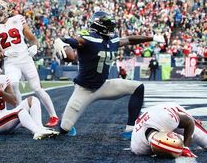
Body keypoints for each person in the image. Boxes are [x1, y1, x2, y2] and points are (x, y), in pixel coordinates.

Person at [53, 10, 165, 138]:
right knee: (64, 129)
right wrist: (60, 41)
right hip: (84, 89)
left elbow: (129, 39)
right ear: (99, 25)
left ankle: (130, 129)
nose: (111, 28)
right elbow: (71, 41)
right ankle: (65, 122)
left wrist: (152, 38)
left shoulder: (112, 40)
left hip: (103, 85)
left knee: (138, 87)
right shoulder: (88, 38)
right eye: (108, 24)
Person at [0, 0, 59, 127]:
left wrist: (35, 46)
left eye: (0, 9)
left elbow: (32, 38)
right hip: (10, 62)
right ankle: (22, 115)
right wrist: (4, 54)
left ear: (7, 8)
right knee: (13, 86)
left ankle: (54, 116)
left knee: (37, 88)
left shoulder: (18, 19)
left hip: (25, 58)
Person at [0, 58, 59, 140]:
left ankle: (39, 127)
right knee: (20, 111)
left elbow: (14, 101)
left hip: (6, 117)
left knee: (33, 99)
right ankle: (38, 132)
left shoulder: (2, 79)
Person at [131, 102, 207, 158]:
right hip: (155, 120)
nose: (174, 134)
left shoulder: (139, 149)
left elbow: (189, 122)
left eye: (173, 135)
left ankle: (197, 122)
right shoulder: (139, 149)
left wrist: (186, 146)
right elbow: (163, 149)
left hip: (167, 111)